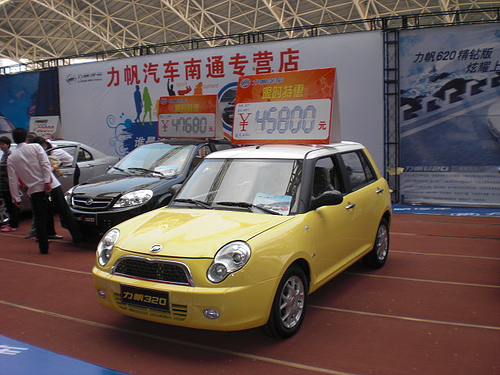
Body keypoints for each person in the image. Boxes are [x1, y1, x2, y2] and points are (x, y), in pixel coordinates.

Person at [7, 128, 84, 254]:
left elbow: (12, 179)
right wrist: (47, 181)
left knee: (40, 218)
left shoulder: (12, 158)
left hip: (34, 189)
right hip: (51, 184)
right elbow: (45, 164)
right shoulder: (36, 147)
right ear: (26, 137)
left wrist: (16, 198)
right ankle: (78, 237)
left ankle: (43, 247)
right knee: (64, 211)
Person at [0, 136, 20, 232]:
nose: (1, 146)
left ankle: (14, 224)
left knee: (12, 205)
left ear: (7, 145)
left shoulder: (10, 156)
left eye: (3, 144)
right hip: (3, 185)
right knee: (8, 205)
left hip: (10, 185)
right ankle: (11, 222)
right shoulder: (4, 156)